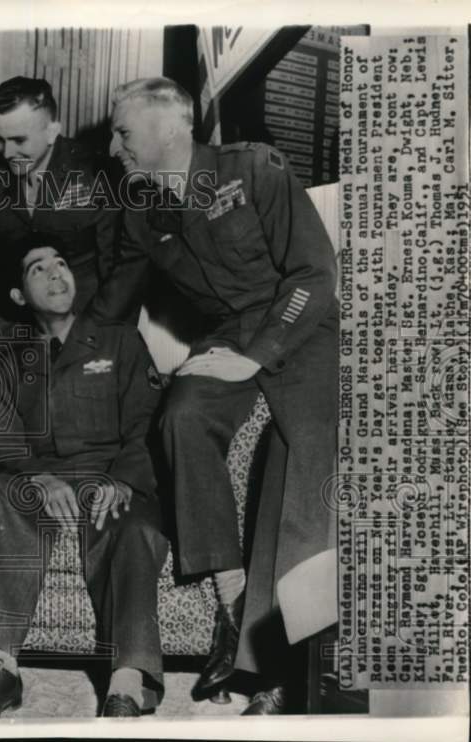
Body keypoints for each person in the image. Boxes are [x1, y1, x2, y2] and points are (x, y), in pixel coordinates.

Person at [109, 77, 339, 714]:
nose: (114, 145)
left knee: (307, 449)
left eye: (124, 131)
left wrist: (257, 359)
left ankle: (281, 667)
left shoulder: (255, 168)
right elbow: (111, 303)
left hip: (301, 323)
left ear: (172, 126)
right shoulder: (138, 209)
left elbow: (314, 273)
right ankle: (232, 602)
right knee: (181, 416)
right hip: (224, 334)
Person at [0, 234, 168, 718]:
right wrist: (38, 479)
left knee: (137, 526)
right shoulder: (7, 357)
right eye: (38, 269)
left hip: (111, 479)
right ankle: (1, 667)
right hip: (42, 480)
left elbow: (145, 426)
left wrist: (122, 480)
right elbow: (4, 438)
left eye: (61, 264)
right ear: (18, 296)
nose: (56, 273)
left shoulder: (119, 339)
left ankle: (126, 683)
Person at [0, 76, 122, 332]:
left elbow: (117, 272)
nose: (6, 153)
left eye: (19, 141)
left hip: (85, 319)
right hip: (12, 320)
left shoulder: (97, 173)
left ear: (52, 132)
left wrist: (112, 344)